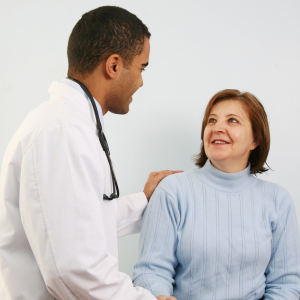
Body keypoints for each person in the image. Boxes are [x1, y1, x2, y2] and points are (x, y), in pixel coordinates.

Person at [0, 6, 179, 300]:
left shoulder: (69, 124)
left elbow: (77, 221)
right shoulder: (63, 131)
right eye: (142, 67)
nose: (142, 81)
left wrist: (144, 202)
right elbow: (74, 270)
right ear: (114, 66)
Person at [132, 89, 300, 300]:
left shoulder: (278, 200)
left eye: (232, 121)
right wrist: (161, 296)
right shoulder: (172, 190)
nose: (217, 128)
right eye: (212, 121)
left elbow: (286, 285)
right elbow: (150, 271)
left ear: (255, 139)